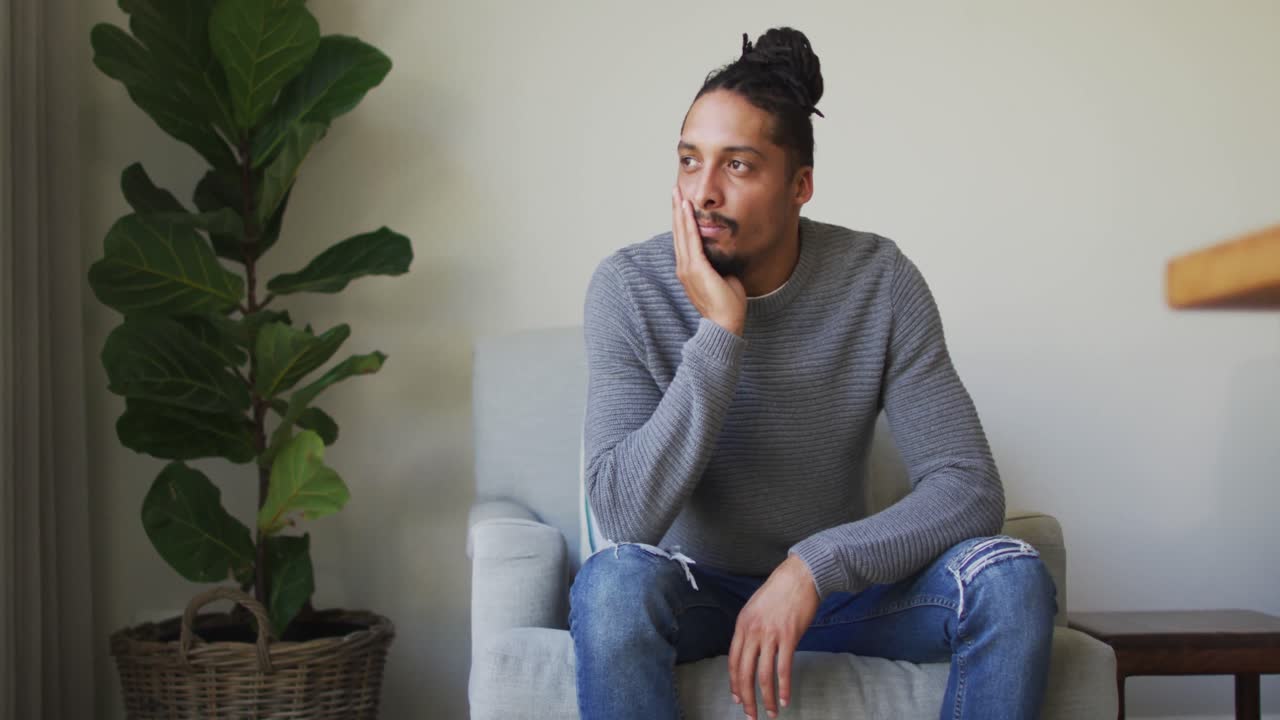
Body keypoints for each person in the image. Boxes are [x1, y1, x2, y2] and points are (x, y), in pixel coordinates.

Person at [570, 26, 1056, 720]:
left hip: (841, 598)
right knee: (612, 587)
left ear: (800, 186)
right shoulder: (628, 286)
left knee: (1010, 576)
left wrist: (812, 568)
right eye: (688, 161)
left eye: (738, 166)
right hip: (697, 595)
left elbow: (968, 486)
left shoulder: (879, 281)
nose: (703, 192)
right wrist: (720, 332)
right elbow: (624, 517)